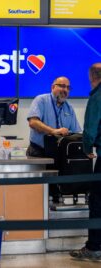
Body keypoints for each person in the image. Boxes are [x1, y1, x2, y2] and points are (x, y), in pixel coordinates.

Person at [70, 63, 101, 260]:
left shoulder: (97, 96)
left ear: (91, 77)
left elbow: (90, 127)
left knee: (97, 202)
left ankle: (94, 247)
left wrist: (87, 148)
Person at [27, 76, 82, 157]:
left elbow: (77, 132)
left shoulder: (69, 107)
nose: (65, 90)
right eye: (62, 86)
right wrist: (53, 131)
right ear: (53, 87)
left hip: (60, 152)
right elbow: (33, 122)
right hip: (39, 151)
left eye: (68, 87)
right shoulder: (41, 100)